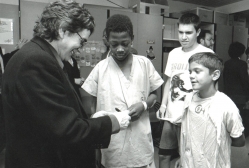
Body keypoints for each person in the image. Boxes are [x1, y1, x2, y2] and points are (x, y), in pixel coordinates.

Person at [2, 1, 131, 168]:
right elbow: (66, 131)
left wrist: (90, 121)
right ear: (63, 30)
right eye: (81, 41)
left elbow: (52, 117)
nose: (79, 48)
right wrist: (112, 121)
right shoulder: (36, 62)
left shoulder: (33, 55)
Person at [82, 14, 164, 168]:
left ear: (132, 38)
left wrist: (144, 105)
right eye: (114, 44)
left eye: (125, 44)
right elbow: (90, 104)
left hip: (141, 142)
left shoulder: (144, 64)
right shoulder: (101, 68)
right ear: (107, 40)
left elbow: (155, 94)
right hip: (113, 145)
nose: (120, 49)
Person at [156, 13, 214, 168]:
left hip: (192, 116)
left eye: (188, 32)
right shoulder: (174, 53)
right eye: (181, 32)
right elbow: (169, 80)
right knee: (163, 155)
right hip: (171, 115)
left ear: (198, 32)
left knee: (188, 159)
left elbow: (212, 89)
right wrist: (163, 105)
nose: (183, 37)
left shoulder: (206, 55)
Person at [175, 52, 245, 168]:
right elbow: (187, 133)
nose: (191, 76)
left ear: (215, 75)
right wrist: (182, 157)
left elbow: (239, 140)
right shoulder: (189, 99)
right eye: (190, 72)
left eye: (197, 71)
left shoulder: (225, 105)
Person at [224, 42, 249, 137]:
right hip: (240, 94)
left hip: (229, 93)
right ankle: (238, 134)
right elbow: (244, 80)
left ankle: (230, 133)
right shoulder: (242, 64)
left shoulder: (227, 63)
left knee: (230, 115)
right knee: (240, 115)